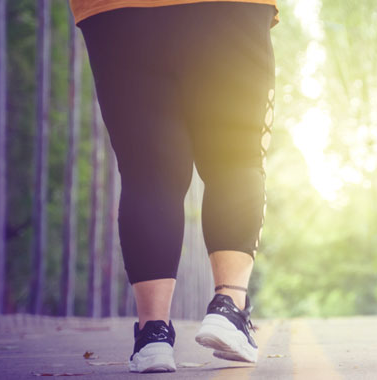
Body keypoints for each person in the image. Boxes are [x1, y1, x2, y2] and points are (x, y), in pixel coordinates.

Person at [69, 0, 277, 373]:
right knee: (236, 158)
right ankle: (229, 308)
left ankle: (153, 335)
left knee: (147, 173)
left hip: (114, 13)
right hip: (227, 9)